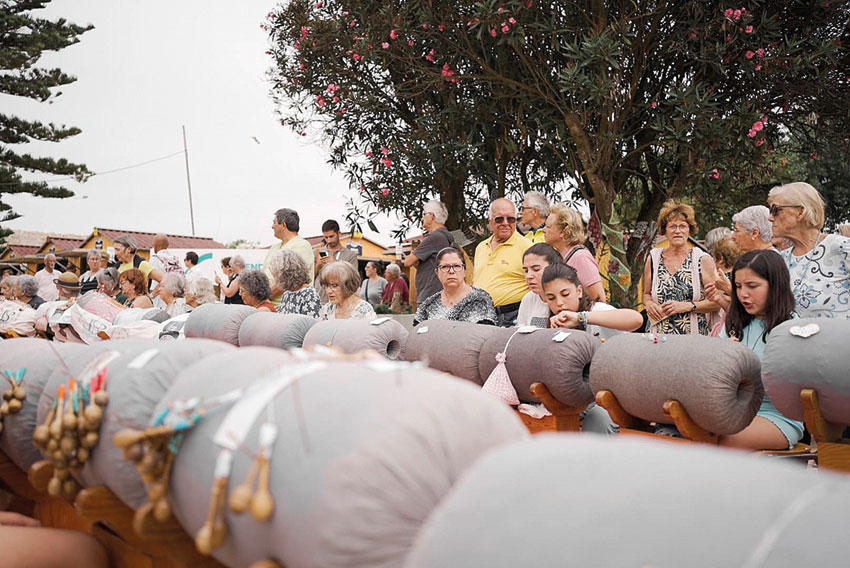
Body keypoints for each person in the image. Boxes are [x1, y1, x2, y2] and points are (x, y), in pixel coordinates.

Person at [716, 249, 804, 450]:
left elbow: (789, 387)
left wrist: (736, 363)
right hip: (732, 410)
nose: (743, 294)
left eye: (752, 286)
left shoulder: (791, 328)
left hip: (776, 416)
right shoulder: (735, 321)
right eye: (738, 286)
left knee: (719, 440)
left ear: (775, 286)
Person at [768, 182, 850, 318]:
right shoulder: (779, 260)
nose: (770, 217)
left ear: (800, 212)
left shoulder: (841, 248)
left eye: (775, 210)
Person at [643, 200, 720, 335]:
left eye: (683, 226)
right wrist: (649, 304)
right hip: (658, 336)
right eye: (672, 226)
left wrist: (688, 306)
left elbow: (717, 302)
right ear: (665, 231)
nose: (677, 231)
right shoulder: (653, 259)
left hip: (693, 338)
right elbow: (646, 294)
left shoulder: (702, 260)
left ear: (689, 230)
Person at [542, 263, 644, 339]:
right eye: (551, 298)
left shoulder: (596, 310)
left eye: (565, 294)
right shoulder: (553, 323)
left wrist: (580, 318)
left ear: (579, 291)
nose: (559, 302)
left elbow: (636, 319)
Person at [473, 198, 532, 326]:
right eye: (499, 219)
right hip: (481, 316)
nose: (505, 223)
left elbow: (539, 287)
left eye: (510, 219)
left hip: (512, 316)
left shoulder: (527, 247)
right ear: (490, 221)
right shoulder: (481, 247)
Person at [414, 246, 497, 325]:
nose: (451, 271)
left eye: (457, 266)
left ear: (464, 271)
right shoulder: (428, 306)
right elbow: (418, 332)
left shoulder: (480, 299)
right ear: (437, 272)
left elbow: (486, 332)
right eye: (445, 267)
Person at [544, 204, 606, 302]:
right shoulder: (559, 256)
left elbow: (599, 298)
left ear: (563, 232)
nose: (543, 230)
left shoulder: (580, 257)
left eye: (548, 227)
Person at [263, 208, 315, 309]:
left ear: (283, 225)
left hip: (287, 307)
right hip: (267, 305)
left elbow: (291, 279)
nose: (272, 226)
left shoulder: (302, 245)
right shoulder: (274, 247)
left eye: (274, 223)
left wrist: (264, 297)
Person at [402, 200, 454, 301]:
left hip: (430, 295)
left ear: (431, 216)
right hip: (440, 293)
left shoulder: (434, 237)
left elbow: (407, 262)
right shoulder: (446, 236)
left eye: (424, 214)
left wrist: (413, 255)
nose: (422, 218)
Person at [517, 243, 564, 327]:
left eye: (536, 269)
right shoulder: (529, 298)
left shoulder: (566, 299)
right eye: (526, 271)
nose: (529, 276)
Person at [314, 219, 359, 302]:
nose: (329, 240)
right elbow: (308, 279)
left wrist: (335, 264)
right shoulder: (317, 252)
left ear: (339, 233)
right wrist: (318, 266)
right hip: (319, 300)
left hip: (341, 301)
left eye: (331, 236)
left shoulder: (350, 255)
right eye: (326, 237)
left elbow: (353, 281)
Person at [271, 249, 322, 317]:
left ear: (286, 273)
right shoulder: (287, 293)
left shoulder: (309, 295)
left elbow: (312, 321)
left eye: (276, 272)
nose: (273, 275)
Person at [704, 237, 742, 313]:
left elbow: (713, 304)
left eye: (713, 256)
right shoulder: (741, 277)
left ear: (721, 259)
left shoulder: (720, 280)